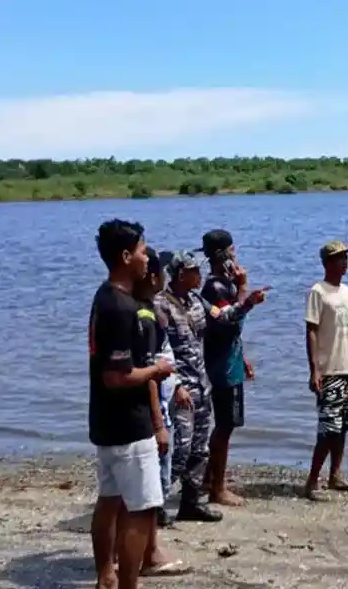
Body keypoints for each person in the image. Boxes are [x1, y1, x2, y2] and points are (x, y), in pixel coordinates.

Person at [87, 219, 173, 589]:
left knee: (109, 500)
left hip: (105, 422)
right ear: (125, 256)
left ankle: (106, 576)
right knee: (139, 510)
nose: (145, 257)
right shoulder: (121, 307)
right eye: (141, 250)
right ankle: (127, 584)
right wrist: (157, 369)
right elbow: (116, 376)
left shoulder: (104, 296)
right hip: (128, 424)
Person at [129, 247, 191, 577]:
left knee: (148, 486)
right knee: (150, 487)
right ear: (153, 276)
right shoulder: (142, 312)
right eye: (162, 271)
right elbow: (149, 368)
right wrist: (158, 423)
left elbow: (161, 359)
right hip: (150, 413)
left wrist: (176, 384)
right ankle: (149, 553)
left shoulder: (146, 310)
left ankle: (139, 551)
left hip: (160, 402)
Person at [153, 250, 227, 523]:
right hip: (180, 388)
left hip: (201, 384)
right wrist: (177, 386)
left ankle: (190, 503)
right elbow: (160, 351)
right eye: (195, 270)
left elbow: (223, 317)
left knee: (200, 448)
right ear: (182, 273)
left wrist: (247, 301)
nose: (200, 275)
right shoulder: (161, 305)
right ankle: (156, 504)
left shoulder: (196, 300)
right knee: (180, 450)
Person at [199, 229, 268, 506]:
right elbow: (229, 321)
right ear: (222, 255)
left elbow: (230, 332)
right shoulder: (215, 287)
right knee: (225, 425)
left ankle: (208, 479)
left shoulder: (221, 284)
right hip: (222, 367)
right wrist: (244, 292)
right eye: (232, 251)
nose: (235, 256)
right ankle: (218, 487)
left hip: (229, 360)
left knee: (226, 424)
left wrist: (244, 359)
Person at [303, 240, 348, 502]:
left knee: (343, 426)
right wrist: (314, 369)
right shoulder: (318, 292)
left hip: (347, 368)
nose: (345, 262)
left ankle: (335, 475)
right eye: (339, 258)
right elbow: (311, 330)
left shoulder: (347, 292)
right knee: (328, 428)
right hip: (328, 370)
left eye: (346, 258)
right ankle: (311, 481)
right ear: (328, 262)